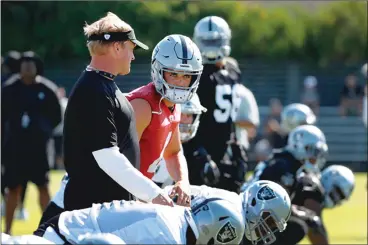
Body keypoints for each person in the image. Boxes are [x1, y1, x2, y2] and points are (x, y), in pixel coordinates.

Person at [62, 12, 173, 214]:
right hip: (95, 212)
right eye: (131, 48)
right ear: (117, 47)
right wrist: (154, 194)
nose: (133, 56)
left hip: (107, 208)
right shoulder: (94, 90)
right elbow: (108, 157)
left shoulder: (102, 84)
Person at [126, 34, 203, 206]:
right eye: (174, 74)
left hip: (137, 193)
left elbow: (173, 152)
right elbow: (119, 163)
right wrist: (149, 195)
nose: (180, 82)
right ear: (158, 71)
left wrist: (182, 181)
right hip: (113, 195)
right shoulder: (143, 106)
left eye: (186, 76)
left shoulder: (174, 105)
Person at [192, 16, 259, 193]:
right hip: (202, 152)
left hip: (227, 151)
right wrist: (200, 156)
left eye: (215, 40)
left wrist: (236, 148)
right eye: (207, 41)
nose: (211, 46)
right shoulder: (196, 76)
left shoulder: (232, 71)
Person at [1, 52, 62, 234]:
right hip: (14, 149)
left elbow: (56, 117)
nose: (27, 66)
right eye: (24, 63)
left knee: (43, 188)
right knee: (12, 188)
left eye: (31, 63)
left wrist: (43, 129)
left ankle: (49, 229)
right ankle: (8, 231)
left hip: (38, 149)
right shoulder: (9, 89)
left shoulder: (47, 89)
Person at [164, 180, 292, 245]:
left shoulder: (231, 200)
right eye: (269, 221)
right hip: (159, 232)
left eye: (272, 226)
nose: (267, 229)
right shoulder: (234, 221)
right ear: (255, 202)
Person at [243, 125, 328, 193]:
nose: (314, 156)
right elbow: (274, 201)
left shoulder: (290, 164)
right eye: (311, 150)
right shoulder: (282, 166)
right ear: (297, 145)